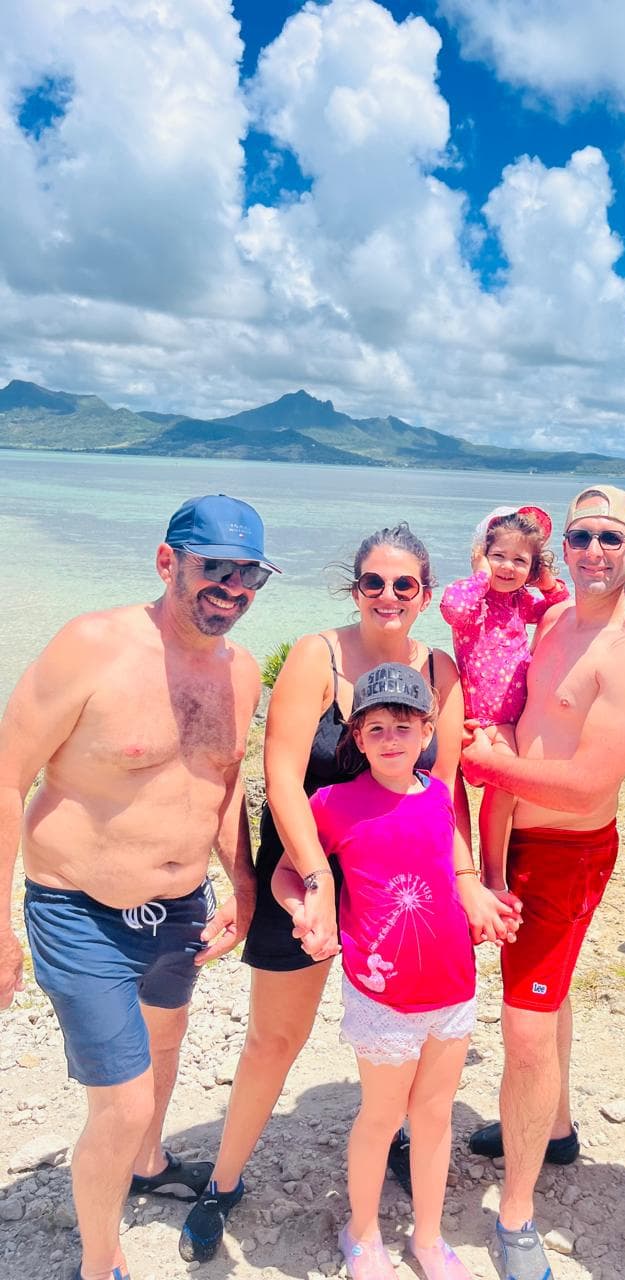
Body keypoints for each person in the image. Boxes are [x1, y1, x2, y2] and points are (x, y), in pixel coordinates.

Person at [180, 523, 519, 1264]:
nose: (388, 597)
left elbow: (448, 791)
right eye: (374, 583)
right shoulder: (316, 655)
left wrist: (471, 881)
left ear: (427, 594)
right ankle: (223, 1181)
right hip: (308, 866)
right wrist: (315, 881)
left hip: (399, 882)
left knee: (402, 1018)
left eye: (405, 585)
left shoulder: (442, 670)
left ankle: (398, 1140)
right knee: (276, 1038)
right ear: (355, 588)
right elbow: (283, 780)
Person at [0, 493, 275, 1280]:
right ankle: (100, 1262)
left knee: (165, 1047)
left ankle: (149, 1162)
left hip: (180, 910)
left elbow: (223, 789)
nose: (231, 588)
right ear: (167, 562)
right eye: (213, 569)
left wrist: (244, 888)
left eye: (248, 574)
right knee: (117, 1103)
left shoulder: (242, 670)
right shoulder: (91, 645)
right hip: (77, 908)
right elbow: (8, 776)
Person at [461, 485, 625, 1280]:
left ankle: (516, 1217)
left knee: (523, 1030)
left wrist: (484, 762)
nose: (592, 551)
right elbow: (522, 715)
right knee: (542, 1005)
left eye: (610, 539)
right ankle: (555, 1129)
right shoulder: (550, 619)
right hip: (513, 837)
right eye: (581, 535)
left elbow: (587, 783)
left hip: (569, 857)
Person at [273, 662, 476, 1280]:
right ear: (357, 738)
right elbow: (288, 871)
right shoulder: (331, 804)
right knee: (383, 1117)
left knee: (436, 1114)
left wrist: (477, 895)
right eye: (378, 727)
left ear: (425, 733)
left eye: (406, 726)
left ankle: (429, 1236)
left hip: (452, 987)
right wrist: (309, 907)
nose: (393, 738)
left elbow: (450, 858)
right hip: (382, 995)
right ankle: (361, 1232)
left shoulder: (439, 795)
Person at [440, 505, 569, 882]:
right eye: (499, 556)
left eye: (520, 560)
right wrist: (482, 575)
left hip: (513, 720)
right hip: (475, 720)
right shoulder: (472, 601)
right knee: (464, 791)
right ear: (480, 556)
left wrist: (544, 579)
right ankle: (461, 870)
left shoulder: (520, 601)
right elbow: (452, 607)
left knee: (505, 792)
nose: (508, 568)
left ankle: (493, 875)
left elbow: (559, 606)